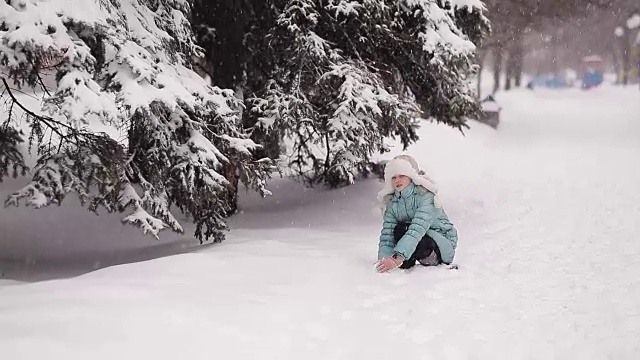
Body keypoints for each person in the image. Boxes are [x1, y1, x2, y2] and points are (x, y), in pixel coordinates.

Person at [375, 155, 458, 273]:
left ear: (412, 176)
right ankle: (404, 261)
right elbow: (387, 235)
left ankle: (429, 259)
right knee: (399, 229)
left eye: (402, 175)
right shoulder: (393, 203)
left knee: (408, 230)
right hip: (414, 240)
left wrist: (397, 258)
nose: (397, 180)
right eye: (393, 177)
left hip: (441, 243)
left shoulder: (426, 196)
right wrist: (383, 260)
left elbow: (417, 230)